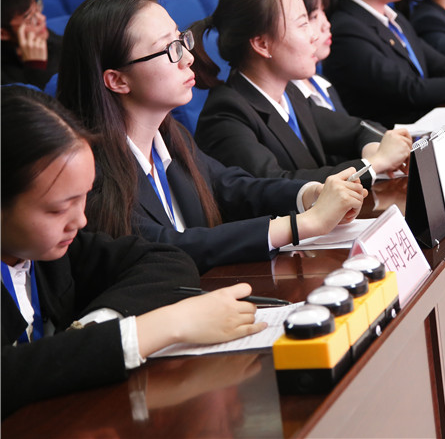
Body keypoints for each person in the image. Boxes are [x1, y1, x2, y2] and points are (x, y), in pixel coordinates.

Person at [1, 85, 267, 418]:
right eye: (58, 209)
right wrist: (162, 326)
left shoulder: (51, 249)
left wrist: (95, 329)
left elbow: (167, 261)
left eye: (83, 197)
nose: (81, 220)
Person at [57, 0, 366, 273]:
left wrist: (309, 194)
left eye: (181, 40)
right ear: (117, 80)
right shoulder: (88, 172)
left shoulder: (171, 136)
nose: (188, 58)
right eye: (169, 49)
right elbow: (166, 247)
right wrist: (300, 225)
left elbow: (230, 186)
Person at [191, 0, 411, 190]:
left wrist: (374, 150)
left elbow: (359, 129)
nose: (314, 36)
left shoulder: (289, 93)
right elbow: (276, 185)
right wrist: (374, 163)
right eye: (303, 24)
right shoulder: (226, 114)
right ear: (262, 44)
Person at [1, 0, 62, 89]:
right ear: (3, 34)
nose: (42, 18)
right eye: (30, 18)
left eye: (37, 8)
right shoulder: (5, 78)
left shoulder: (42, 34)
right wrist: (35, 67)